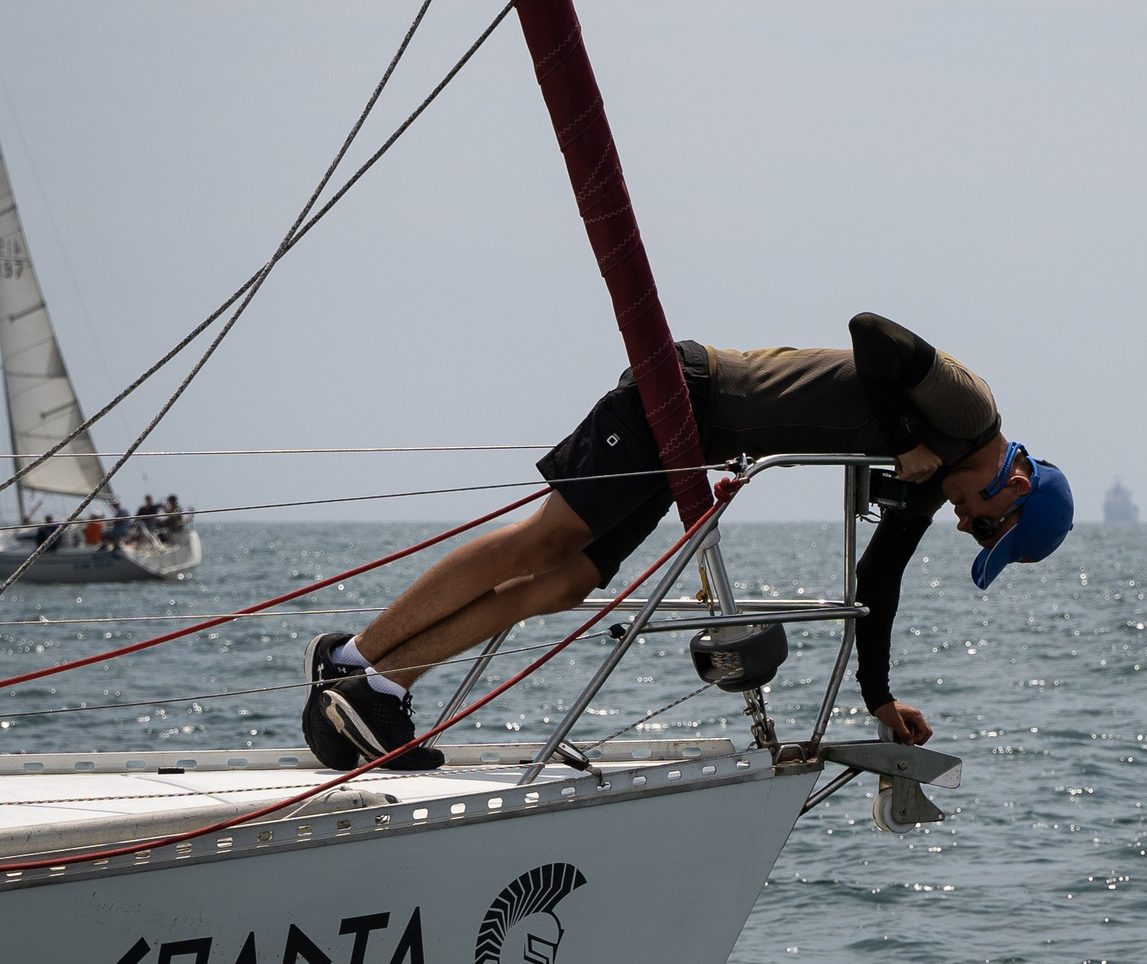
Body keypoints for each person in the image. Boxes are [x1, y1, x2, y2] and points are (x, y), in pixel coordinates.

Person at [299, 313, 1072, 770]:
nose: (967, 527)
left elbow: (880, 579)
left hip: (691, 443)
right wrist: (907, 434)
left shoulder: (930, 483)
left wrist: (877, 698)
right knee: (548, 539)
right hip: (683, 393)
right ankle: (357, 663)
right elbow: (873, 333)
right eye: (985, 527)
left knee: (570, 580)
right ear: (1015, 484)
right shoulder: (968, 415)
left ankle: (378, 682)